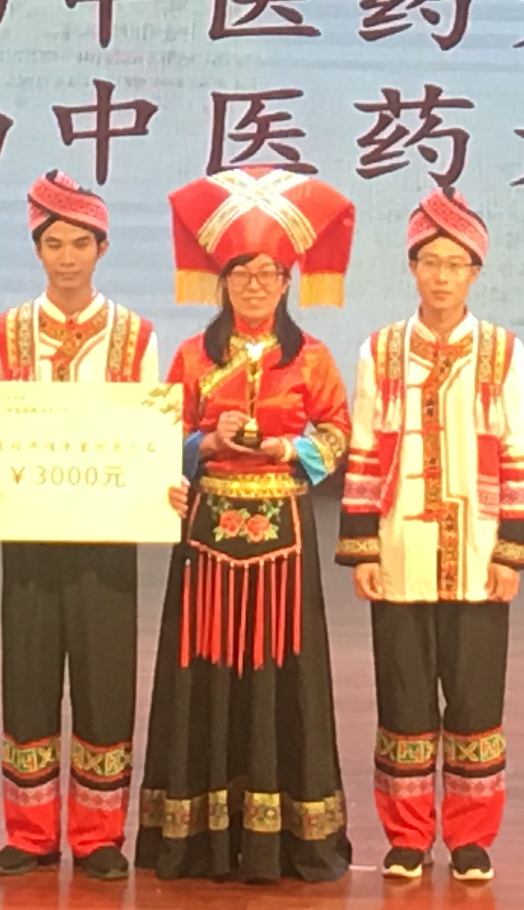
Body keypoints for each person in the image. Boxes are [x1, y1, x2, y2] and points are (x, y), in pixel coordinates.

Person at [140, 166, 359, 884]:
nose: (256, 285)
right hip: (206, 537)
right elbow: (159, 438)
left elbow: (337, 435)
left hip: (282, 541)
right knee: (203, 674)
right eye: (242, 273)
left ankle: (285, 837)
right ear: (222, 281)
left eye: (269, 274)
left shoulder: (313, 358)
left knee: (279, 673)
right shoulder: (193, 356)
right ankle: (197, 836)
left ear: (288, 281)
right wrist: (207, 442)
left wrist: (284, 450)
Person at [336, 182, 524, 883]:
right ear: (412, 268)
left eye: (456, 264)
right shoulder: (382, 349)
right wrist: (362, 546)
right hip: (400, 548)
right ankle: (407, 834)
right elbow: (364, 449)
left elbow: (518, 453)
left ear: (475, 272)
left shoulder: (503, 351)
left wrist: (511, 551)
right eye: (431, 263)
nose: (443, 277)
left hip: (478, 554)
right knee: (403, 697)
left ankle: (472, 837)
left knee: (476, 699)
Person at [0, 172, 165, 882]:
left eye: (81, 243)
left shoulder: (136, 336)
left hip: (108, 536)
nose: (67, 258)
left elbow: (149, 438)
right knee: (27, 677)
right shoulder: (5, 333)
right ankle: (29, 831)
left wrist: (161, 483)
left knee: (105, 680)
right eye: (54, 244)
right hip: (28, 535)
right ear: (37, 250)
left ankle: (99, 834)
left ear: (102, 248)